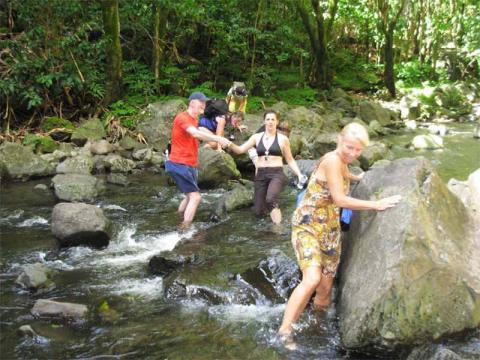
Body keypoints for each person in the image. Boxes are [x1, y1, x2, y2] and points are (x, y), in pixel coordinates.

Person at [277, 122, 401, 345]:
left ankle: (316, 328)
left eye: (358, 150)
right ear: (339, 140)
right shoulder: (332, 159)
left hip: (330, 228)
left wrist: (358, 178)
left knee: (324, 291)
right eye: (349, 147)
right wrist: (376, 204)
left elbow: (344, 175)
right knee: (312, 278)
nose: (352, 153)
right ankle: (285, 331)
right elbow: (340, 199)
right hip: (308, 224)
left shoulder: (342, 161)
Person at [165, 92, 233, 226]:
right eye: (201, 102)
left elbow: (198, 133)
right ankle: (184, 228)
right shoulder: (182, 117)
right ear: (192, 103)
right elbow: (195, 133)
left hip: (189, 164)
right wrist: (217, 138)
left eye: (204, 102)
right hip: (179, 163)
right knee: (196, 197)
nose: (204, 105)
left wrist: (215, 136)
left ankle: (177, 218)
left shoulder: (195, 119)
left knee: (189, 196)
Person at [228, 110, 304, 224]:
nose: (270, 122)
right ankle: (266, 230)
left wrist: (299, 174)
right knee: (258, 211)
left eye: (273, 119)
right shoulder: (256, 137)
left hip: (276, 174)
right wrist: (228, 143)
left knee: (271, 199)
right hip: (261, 174)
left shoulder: (283, 139)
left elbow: (290, 159)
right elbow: (240, 150)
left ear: (277, 122)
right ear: (264, 121)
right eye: (268, 119)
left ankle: (278, 228)